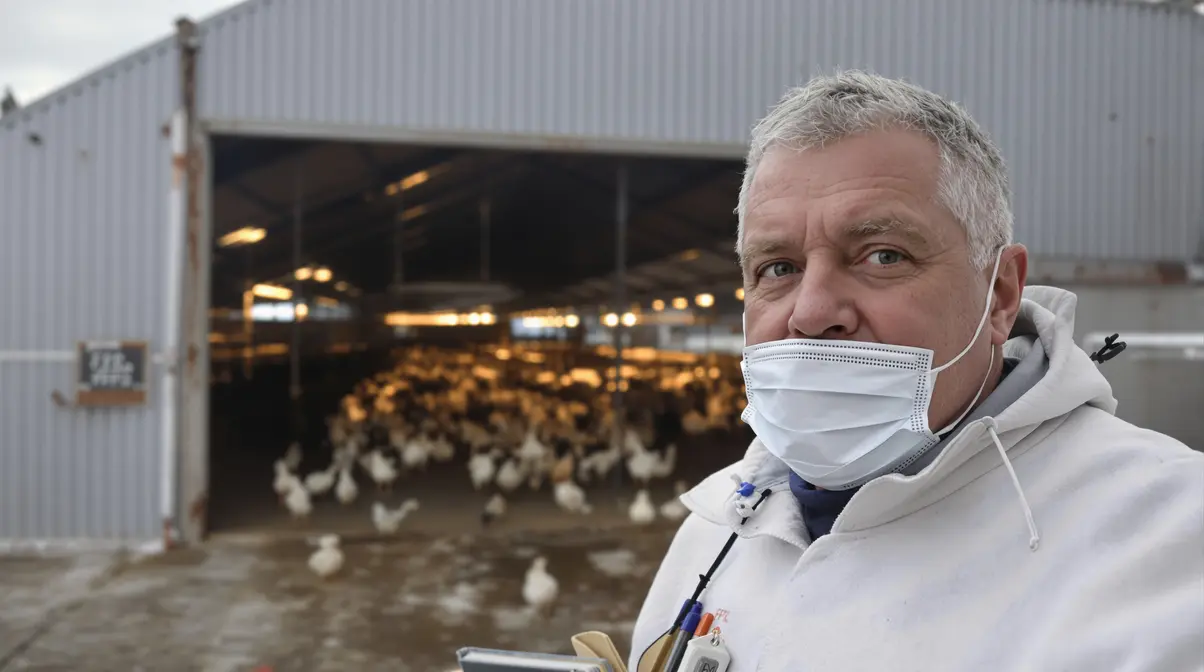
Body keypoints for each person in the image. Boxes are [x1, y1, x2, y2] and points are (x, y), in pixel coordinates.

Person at [629, 71, 1204, 672]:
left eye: (883, 256)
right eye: (777, 268)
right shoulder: (716, 529)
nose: (812, 312)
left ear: (1000, 294)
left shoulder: (1166, 545)